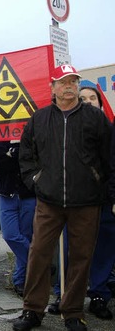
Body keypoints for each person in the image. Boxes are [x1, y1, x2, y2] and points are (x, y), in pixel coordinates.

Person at [13, 65, 111, 331]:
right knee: (39, 253)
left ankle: (73, 312)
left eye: (73, 82)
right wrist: (36, 180)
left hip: (87, 202)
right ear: (52, 86)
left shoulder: (95, 118)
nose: (69, 86)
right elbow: (26, 156)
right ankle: (32, 311)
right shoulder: (39, 118)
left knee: (81, 258)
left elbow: (109, 159)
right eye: (63, 82)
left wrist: (104, 190)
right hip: (49, 201)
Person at [80, 86, 115, 320]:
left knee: (105, 249)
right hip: (79, 201)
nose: (89, 102)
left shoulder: (109, 130)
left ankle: (102, 291)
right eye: (83, 99)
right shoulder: (68, 130)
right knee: (80, 251)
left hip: (105, 199)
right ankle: (70, 295)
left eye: (93, 98)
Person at [0, 141, 35, 296]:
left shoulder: (31, 136)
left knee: (26, 237)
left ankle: (20, 281)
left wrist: (12, 154)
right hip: (7, 194)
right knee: (10, 235)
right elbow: (0, 163)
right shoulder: (0, 140)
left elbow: (31, 163)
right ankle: (39, 264)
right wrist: (14, 156)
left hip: (29, 194)